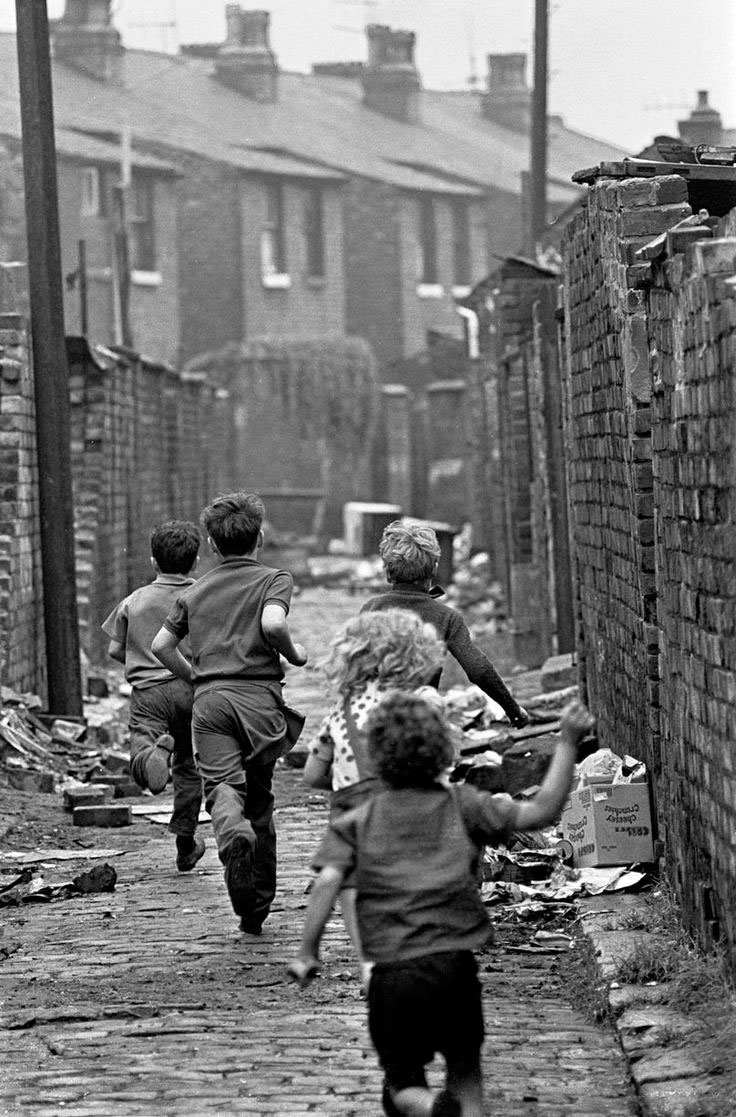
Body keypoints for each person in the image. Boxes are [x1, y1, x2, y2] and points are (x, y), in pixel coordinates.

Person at [288, 691, 595, 1117]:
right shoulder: (463, 804)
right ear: (443, 751)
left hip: (392, 975)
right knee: (467, 1073)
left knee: (402, 1086)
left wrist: (307, 951)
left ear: (376, 758)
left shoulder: (357, 818)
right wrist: (566, 741)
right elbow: (541, 811)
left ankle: (432, 1107)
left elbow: (328, 881)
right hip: (454, 969)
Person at [151, 491, 307, 935]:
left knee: (222, 787)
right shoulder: (273, 580)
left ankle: (230, 830)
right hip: (258, 699)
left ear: (213, 547)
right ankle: (255, 906)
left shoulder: (195, 590)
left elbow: (161, 646)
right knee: (260, 797)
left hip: (210, 703)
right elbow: (274, 624)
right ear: (260, 537)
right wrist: (294, 656)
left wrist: (197, 676)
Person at [303, 609, 446, 986]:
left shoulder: (342, 710)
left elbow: (312, 774)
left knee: (351, 883)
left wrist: (342, 778)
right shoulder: (417, 703)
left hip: (351, 804)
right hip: (402, 800)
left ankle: (369, 960)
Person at [102, 520, 205, 873]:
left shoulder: (135, 600)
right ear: (194, 563)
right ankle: (186, 843)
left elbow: (116, 649)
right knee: (190, 768)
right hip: (192, 688)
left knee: (142, 742)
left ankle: (150, 760)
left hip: (149, 692)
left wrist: (140, 657)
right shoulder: (201, 595)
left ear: (152, 562)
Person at [361, 520, 529, 729]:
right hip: (422, 723)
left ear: (386, 570)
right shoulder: (446, 617)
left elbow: (355, 669)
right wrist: (513, 710)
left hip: (375, 720)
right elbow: (479, 670)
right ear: (434, 568)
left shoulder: (371, 609)